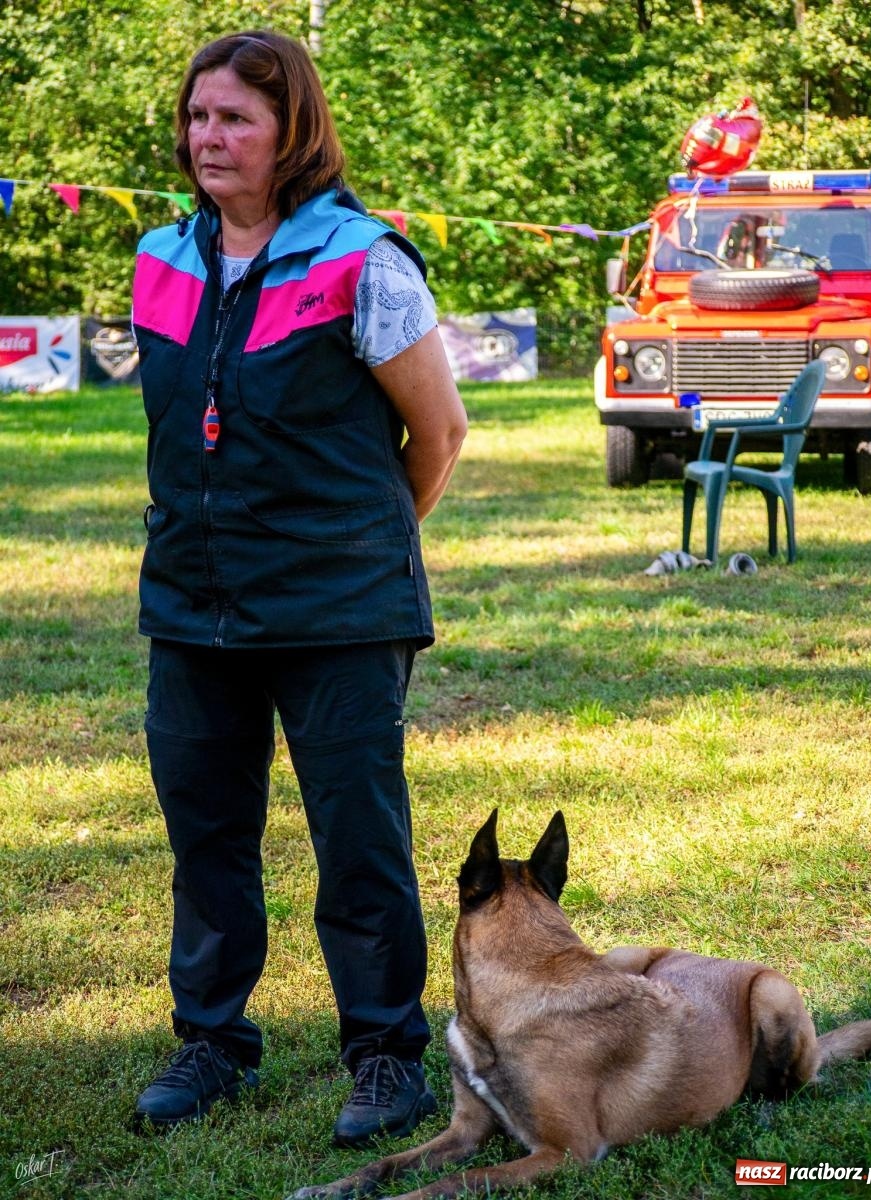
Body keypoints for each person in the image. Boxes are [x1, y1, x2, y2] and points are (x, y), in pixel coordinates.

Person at [130, 29, 467, 1144]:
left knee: (356, 841)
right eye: (198, 117)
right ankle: (212, 1046)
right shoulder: (161, 258)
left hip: (339, 611)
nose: (208, 138)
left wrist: (361, 552)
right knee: (206, 838)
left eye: (235, 118)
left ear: (292, 133)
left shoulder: (360, 259)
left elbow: (439, 430)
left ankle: (386, 1058)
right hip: (190, 603)